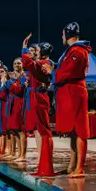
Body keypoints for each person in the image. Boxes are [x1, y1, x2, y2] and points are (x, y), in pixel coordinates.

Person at [42, 22, 92, 178]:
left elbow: (69, 71)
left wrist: (53, 71)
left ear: (68, 34)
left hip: (75, 93)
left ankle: (80, 168)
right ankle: (72, 166)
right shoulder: (71, 51)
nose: (62, 37)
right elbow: (64, 68)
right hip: (69, 93)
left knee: (80, 130)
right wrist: (55, 67)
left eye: (63, 34)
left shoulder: (78, 51)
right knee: (73, 131)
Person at [21, 33, 56, 177]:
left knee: (43, 131)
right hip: (36, 97)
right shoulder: (44, 64)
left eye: (38, 50)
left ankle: (46, 164)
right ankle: (43, 162)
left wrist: (24, 48)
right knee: (39, 130)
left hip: (39, 98)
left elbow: (28, 63)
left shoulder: (44, 64)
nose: (36, 52)